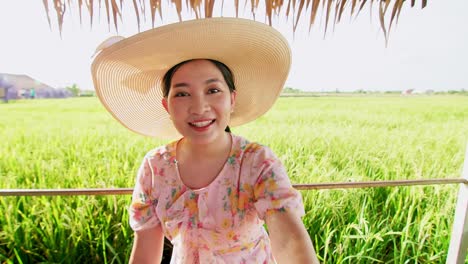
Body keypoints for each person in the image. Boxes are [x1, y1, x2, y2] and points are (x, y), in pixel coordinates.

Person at [92, 18, 319, 264]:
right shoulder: (156, 167)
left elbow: (288, 238)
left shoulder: (256, 162)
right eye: (182, 93)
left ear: (232, 99)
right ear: (167, 105)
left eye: (213, 90)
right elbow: (146, 251)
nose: (199, 107)